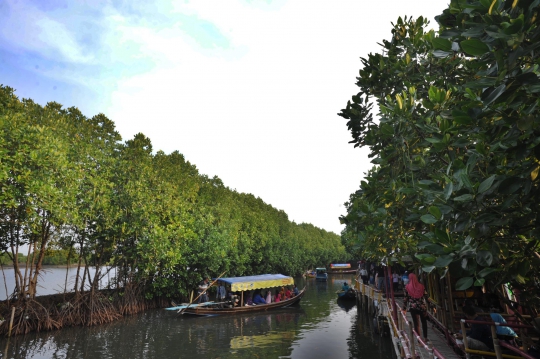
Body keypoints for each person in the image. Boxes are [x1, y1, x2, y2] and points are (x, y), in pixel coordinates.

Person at [403, 273, 428, 342]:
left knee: (416, 324)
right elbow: (426, 297)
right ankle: (425, 338)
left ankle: (419, 340)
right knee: (424, 322)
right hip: (422, 307)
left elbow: (405, 299)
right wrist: (432, 306)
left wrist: (404, 309)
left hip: (413, 308)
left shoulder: (407, 287)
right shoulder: (421, 287)